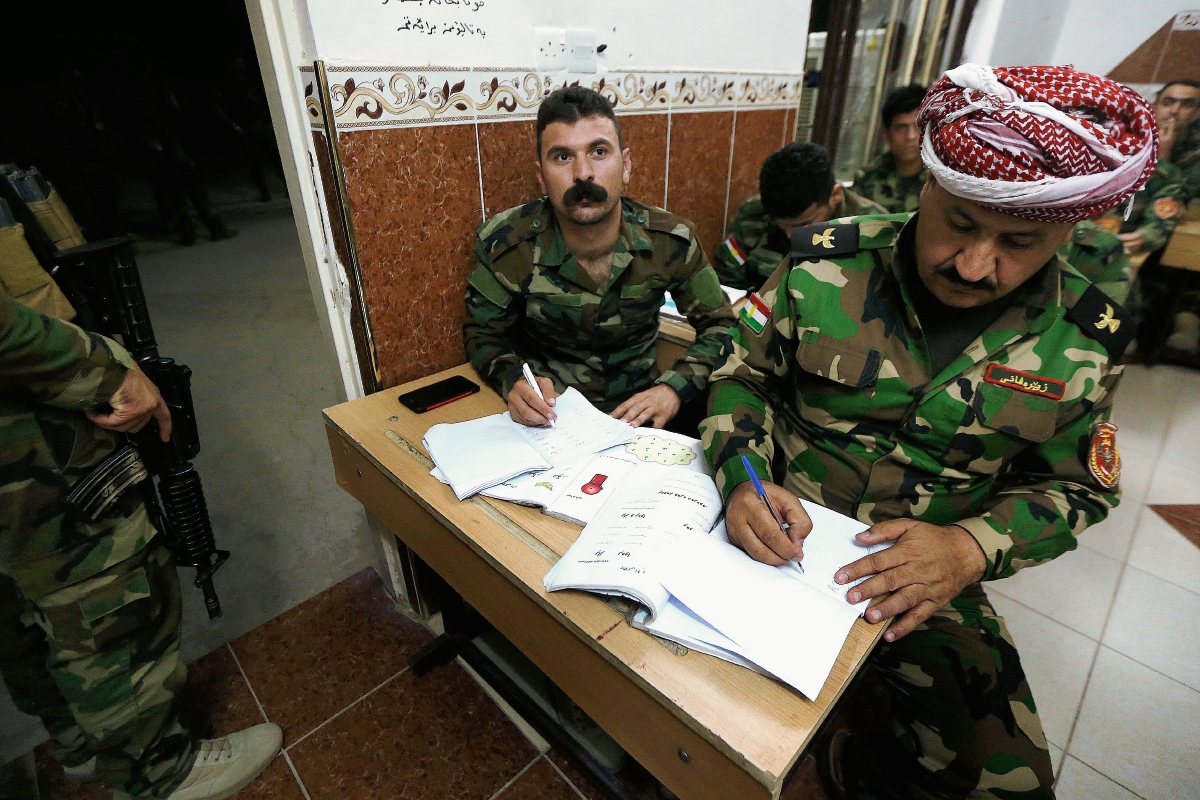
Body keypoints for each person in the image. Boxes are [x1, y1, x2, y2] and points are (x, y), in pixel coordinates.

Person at [701, 64, 1156, 800]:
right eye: (962, 226)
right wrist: (743, 478)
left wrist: (971, 548)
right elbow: (738, 376)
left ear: (1069, 233)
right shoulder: (825, 267)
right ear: (927, 187)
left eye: (1021, 242)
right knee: (700, 712)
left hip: (927, 579)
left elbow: (1077, 488)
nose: (976, 266)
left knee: (1008, 783)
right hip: (773, 535)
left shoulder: (1085, 340)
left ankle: (866, 763)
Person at [0, 297, 281, 800]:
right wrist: (107, 373)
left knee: (16, 604)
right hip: (23, 439)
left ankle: (79, 741)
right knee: (103, 600)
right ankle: (158, 774)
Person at [463, 86, 736, 431]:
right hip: (551, 421)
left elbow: (722, 325)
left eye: (599, 152)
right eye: (562, 157)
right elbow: (482, 334)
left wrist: (673, 389)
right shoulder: (507, 244)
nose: (583, 173)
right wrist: (514, 382)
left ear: (626, 166)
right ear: (541, 177)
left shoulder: (671, 240)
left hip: (641, 418)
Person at [715, 142, 889, 291]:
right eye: (782, 225)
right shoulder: (753, 215)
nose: (791, 235)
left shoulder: (872, 227)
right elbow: (727, 282)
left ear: (835, 195)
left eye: (804, 224)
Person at [852, 84, 930, 214]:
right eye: (901, 128)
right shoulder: (866, 180)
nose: (910, 136)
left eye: (918, 127)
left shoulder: (941, 181)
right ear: (886, 135)